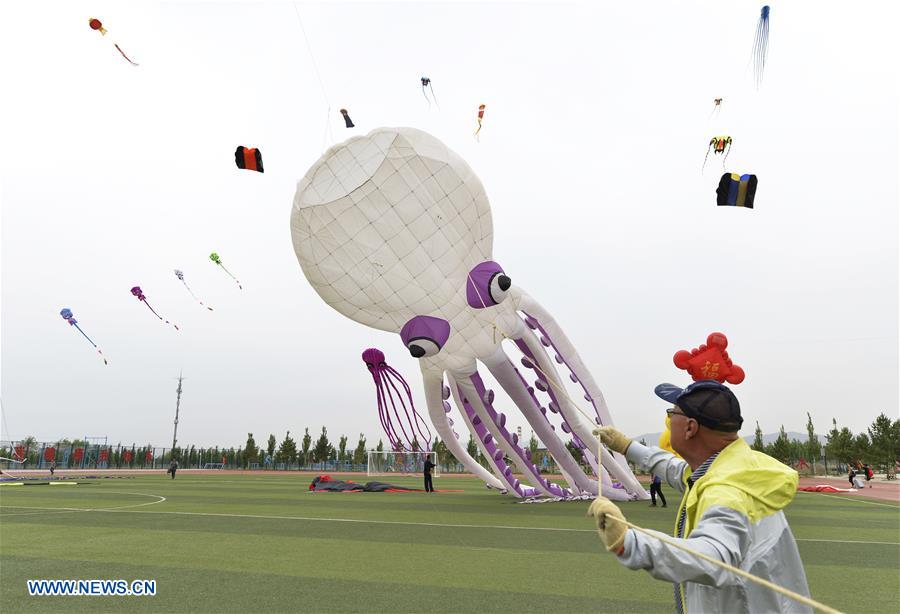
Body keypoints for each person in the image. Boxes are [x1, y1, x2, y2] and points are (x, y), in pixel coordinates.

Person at [589, 380, 811, 614]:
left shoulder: (727, 491)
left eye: (671, 413)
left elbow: (713, 557)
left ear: (690, 428)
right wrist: (625, 446)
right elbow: (675, 469)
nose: (668, 419)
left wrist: (628, 542)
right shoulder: (734, 466)